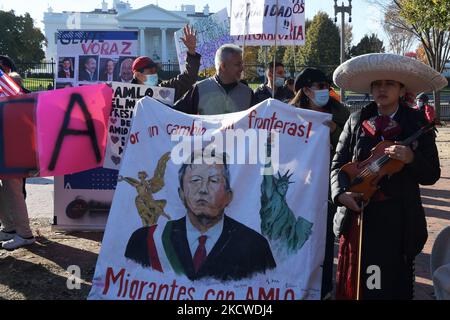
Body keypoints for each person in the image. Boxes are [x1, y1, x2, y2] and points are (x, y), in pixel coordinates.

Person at [331, 53, 446, 299]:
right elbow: (337, 165)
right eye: (377, 84)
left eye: (389, 84)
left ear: (401, 88)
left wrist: (411, 159)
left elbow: (432, 174)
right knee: (362, 285)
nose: (382, 89)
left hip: (399, 220)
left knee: (391, 285)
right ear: (371, 89)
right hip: (360, 216)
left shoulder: (417, 124)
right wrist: (341, 195)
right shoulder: (356, 120)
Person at [125, 150, 276, 281]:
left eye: (214, 181)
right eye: (195, 180)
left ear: (229, 196)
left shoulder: (255, 247)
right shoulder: (144, 241)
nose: (203, 189)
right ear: (181, 194)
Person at [289, 67, 350, 300]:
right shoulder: (290, 113)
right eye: (320, 87)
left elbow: (352, 145)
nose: (325, 91)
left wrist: (334, 131)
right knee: (298, 242)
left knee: (324, 243)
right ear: (306, 90)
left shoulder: (340, 113)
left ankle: (322, 290)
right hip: (298, 190)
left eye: (327, 87)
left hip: (327, 188)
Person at [0, 70, 35, 250]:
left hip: (13, 158)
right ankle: (9, 228)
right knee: (6, 192)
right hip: (6, 156)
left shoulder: (20, 104)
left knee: (14, 194)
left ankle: (24, 233)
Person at [174, 44, 254, 115]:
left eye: (241, 64)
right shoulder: (199, 89)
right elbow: (176, 115)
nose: (242, 68)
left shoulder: (248, 93)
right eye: (237, 64)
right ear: (223, 66)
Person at [131, 25, 201, 102]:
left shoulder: (164, 90)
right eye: (151, 71)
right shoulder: (124, 94)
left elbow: (188, 79)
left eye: (155, 71)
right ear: (138, 75)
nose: (155, 75)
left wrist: (191, 50)